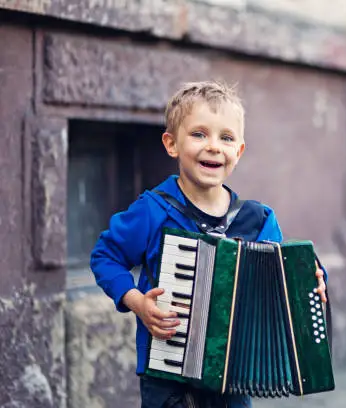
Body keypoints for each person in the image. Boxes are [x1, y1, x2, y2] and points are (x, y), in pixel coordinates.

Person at [90, 80, 328, 408]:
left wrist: (314, 280)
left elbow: (286, 278)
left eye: (226, 138)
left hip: (236, 380)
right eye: (199, 134)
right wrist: (137, 303)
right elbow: (105, 256)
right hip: (168, 385)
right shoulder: (153, 210)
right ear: (171, 144)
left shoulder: (257, 220)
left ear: (239, 151)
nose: (214, 146)